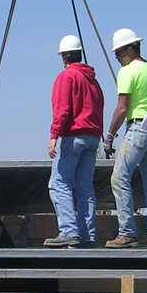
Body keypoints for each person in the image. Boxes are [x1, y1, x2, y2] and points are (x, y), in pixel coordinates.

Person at [103, 28, 147, 249]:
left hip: (138, 127)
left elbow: (122, 108)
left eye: (119, 53)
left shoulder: (128, 72)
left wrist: (109, 136)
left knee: (119, 177)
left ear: (131, 49)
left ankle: (127, 232)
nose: (117, 58)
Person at [44, 35, 105, 248]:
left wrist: (54, 137)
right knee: (85, 187)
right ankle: (87, 235)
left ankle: (69, 232)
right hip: (92, 137)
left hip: (73, 137)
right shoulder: (93, 80)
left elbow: (62, 109)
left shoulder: (66, 77)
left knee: (59, 184)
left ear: (64, 57)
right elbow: (99, 109)